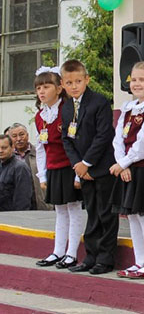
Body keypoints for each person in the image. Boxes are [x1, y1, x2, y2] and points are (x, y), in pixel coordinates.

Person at [60, 59, 118, 275]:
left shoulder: (99, 102)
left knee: (106, 214)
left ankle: (105, 259)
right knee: (92, 213)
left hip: (102, 167)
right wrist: (77, 164)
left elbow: (104, 135)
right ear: (62, 84)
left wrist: (87, 164)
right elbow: (66, 138)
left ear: (87, 80)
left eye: (78, 81)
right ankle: (90, 256)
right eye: (69, 83)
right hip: (82, 170)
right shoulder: (67, 107)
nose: (74, 86)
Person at [109, 62, 144, 279]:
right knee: (132, 217)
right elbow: (118, 139)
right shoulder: (127, 108)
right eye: (134, 79)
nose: (137, 84)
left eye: (142, 79)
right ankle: (139, 260)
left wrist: (124, 163)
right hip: (127, 168)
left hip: (143, 169)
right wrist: (122, 164)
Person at [33, 67, 84, 270]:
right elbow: (41, 148)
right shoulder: (40, 116)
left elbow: (78, 143)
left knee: (74, 208)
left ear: (59, 88)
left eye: (46, 87)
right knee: (60, 210)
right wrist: (42, 175)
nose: (42, 92)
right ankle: (58, 251)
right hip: (54, 168)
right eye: (39, 88)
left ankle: (72, 253)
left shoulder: (68, 110)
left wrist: (79, 174)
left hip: (70, 167)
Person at [8, 122, 52, 210]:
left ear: (27, 136)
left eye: (22, 135)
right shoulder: (8, 158)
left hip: (40, 201)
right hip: (17, 204)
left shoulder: (40, 154)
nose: (19, 139)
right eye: (14, 136)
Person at [0, 134, 33, 211]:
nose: (0, 151)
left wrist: (18, 216)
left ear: (12, 147)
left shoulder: (20, 168)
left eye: (4, 148)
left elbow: (23, 199)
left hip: (12, 215)